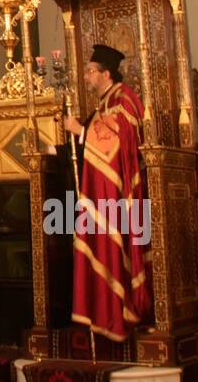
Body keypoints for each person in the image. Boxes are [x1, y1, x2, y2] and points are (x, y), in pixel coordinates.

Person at [63, 44, 153, 342]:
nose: (86, 78)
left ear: (106, 73)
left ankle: (122, 310)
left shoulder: (124, 98)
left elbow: (118, 141)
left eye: (90, 72)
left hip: (122, 195)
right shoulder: (104, 103)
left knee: (118, 247)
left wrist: (80, 131)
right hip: (104, 197)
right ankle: (103, 312)